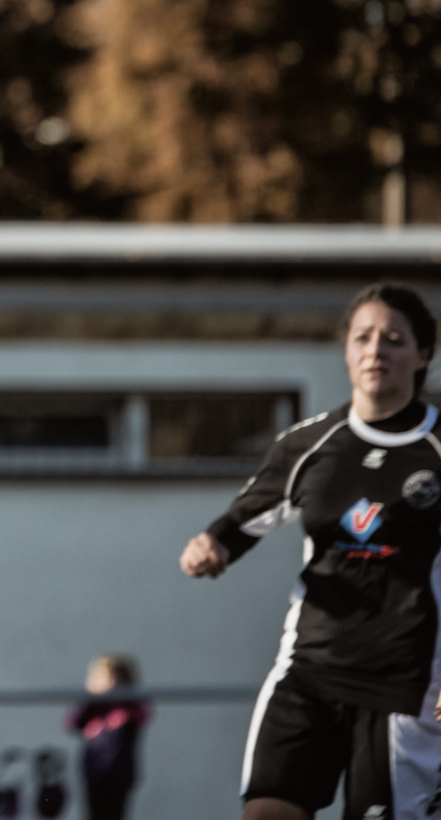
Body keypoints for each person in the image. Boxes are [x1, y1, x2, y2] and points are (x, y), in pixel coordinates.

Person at [179, 281, 441, 820]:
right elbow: (243, 521)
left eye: (393, 339)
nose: (376, 351)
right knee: (267, 812)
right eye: (363, 337)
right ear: (345, 350)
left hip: (404, 682)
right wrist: (211, 546)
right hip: (309, 669)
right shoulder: (310, 443)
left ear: (423, 355)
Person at [66, 654, 149, 820]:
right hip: (93, 771)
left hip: (120, 773)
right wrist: (90, 698)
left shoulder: (129, 705)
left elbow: (143, 715)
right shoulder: (93, 708)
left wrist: (124, 703)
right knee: (95, 814)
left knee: (115, 813)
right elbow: (73, 722)